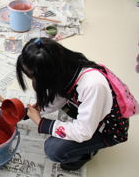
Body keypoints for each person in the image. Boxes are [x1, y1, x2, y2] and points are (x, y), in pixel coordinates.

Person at [16, 37, 129, 171]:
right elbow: (59, 97)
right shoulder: (64, 64)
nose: (33, 81)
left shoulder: (93, 85)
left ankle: (86, 153)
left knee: (54, 149)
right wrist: (30, 111)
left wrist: (42, 123)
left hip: (107, 129)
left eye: (33, 77)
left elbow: (84, 131)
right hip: (91, 112)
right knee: (63, 107)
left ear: (48, 74)